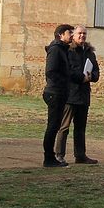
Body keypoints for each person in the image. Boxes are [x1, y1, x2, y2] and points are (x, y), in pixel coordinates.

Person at [56, 25, 99, 164]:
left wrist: (91, 76)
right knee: (64, 127)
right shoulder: (68, 51)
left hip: (84, 95)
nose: (82, 36)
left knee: (80, 128)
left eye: (84, 34)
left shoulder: (90, 52)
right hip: (70, 95)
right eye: (79, 33)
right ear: (73, 35)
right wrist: (81, 78)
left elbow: (96, 72)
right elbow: (67, 71)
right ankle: (59, 155)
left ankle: (80, 155)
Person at [42, 24, 77, 167]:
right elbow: (51, 71)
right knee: (52, 126)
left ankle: (50, 158)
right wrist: (63, 82)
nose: (72, 35)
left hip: (60, 92)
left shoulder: (63, 49)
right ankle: (48, 158)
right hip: (55, 92)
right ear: (61, 35)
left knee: (55, 126)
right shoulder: (56, 49)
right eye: (70, 33)